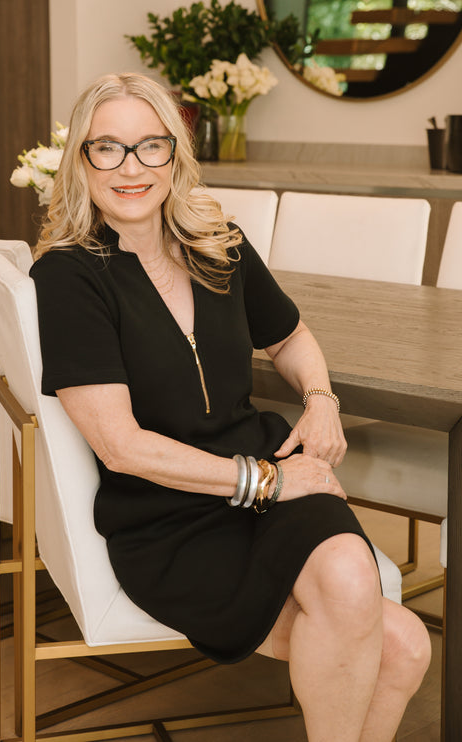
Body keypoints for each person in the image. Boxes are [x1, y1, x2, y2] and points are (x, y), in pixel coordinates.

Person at [30, 72, 431, 742]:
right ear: (82, 161)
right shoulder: (70, 275)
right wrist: (268, 481)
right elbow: (122, 446)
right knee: (403, 644)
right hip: (171, 515)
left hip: (272, 471)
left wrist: (321, 399)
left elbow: (291, 336)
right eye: (108, 149)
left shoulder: (220, 245)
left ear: (175, 154)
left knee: (400, 634)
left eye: (150, 146)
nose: (131, 168)